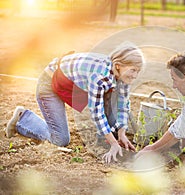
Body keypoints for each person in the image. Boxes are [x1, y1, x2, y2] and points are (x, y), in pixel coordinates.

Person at [6, 42, 145, 164]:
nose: (135, 75)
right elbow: (96, 112)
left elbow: (122, 104)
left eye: (137, 71)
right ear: (118, 66)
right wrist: (114, 143)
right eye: (133, 70)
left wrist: (121, 133)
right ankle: (23, 119)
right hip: (50, 85)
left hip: (71, 86)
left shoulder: (123, 77)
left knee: (113, 103)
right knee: (60, 140)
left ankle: (106, 137)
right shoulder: (100, 76)